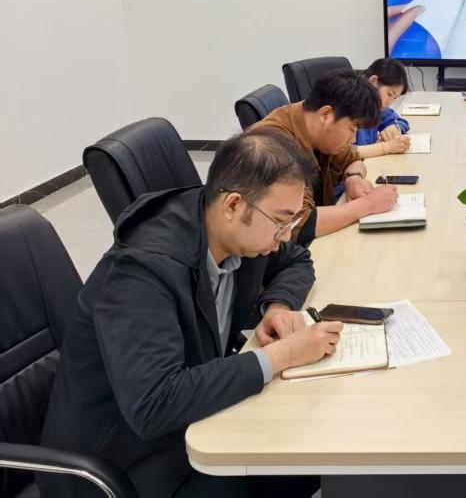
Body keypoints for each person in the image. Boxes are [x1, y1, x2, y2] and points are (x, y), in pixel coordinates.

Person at [39, 132, 344, 498]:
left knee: (312, 452)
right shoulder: (142, 272)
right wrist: (283, 355)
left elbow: (297, 260)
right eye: (281, 222)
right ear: (233, 205)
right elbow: (154, 404)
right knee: (289, 461)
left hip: (187, 422)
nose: (284, 236)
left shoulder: (237, 234)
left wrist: (276, 306)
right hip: (118, 462)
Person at [249, 70, 398, 242]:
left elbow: (353, 159)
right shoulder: (273, 147)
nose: (353, 139)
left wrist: (353, 178)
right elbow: (299, 224)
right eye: (352, 129)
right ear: (325, 115)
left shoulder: (317, 128)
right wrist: (369, 204)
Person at [355, 57, 412, 158]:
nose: (389, 102)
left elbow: (401, 121)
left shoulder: (376, 107)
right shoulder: (350, 106)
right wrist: (386, 147)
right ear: (373, 81)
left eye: (395, 98)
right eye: (389, 94)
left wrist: (394, 127)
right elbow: (344, 153)